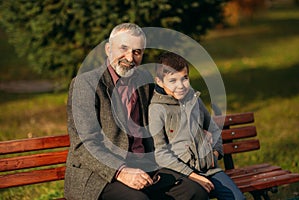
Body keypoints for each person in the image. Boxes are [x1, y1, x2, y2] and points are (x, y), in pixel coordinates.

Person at [64, 23, 208, 200]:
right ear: (108, 49)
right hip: (101, 176)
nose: (130, 58)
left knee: (195, 192)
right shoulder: (85, 84)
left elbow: (169, 103)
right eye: (123, 49)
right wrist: (121, 171)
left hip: (146, 167)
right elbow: (84, 144)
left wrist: (198, 126)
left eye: (137, 52)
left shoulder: (143, 79)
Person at [149, 52, 245, 199]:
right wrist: (193, 175)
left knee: (237, 198)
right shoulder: (156, 109)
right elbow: (160, 153)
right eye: (173, 81)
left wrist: (215, 153)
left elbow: (213, 127)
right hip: (182, 175)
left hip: (209, 169)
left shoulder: (192, 98)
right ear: (160, 82)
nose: (180, 86)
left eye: (185, 78)